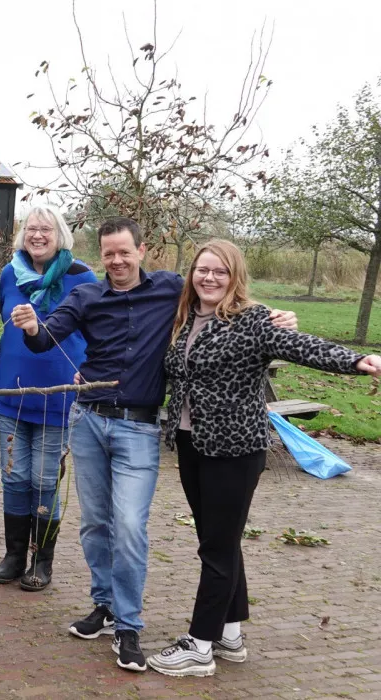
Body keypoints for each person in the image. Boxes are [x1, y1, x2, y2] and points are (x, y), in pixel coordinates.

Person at [10, 217, 297, 673]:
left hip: (139, 429)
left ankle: (129, 625)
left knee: (128, 527)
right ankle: (103, 607)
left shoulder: (169, 290)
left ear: (142, 251)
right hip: (88, 422)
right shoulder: (85, 295)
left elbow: (220, 292)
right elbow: (47, 340)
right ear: (100, 254)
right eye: (109, 253)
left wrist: (274, 315)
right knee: (95, 525)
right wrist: (29, 325)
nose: (117, 260)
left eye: (125, 252)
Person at [146, 240, 381, 677]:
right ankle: (230, 634)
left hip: (236, 450)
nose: (209, 278)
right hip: (191, 444)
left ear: (234, 276)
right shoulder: (182, 319)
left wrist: (358, 359)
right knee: (220, 540)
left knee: (216, 547)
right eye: (202, 270)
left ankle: (199, 646)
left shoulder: (254, 321)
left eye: (219, 271)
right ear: (192, 275)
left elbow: (305, 348)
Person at [0, 205, 97, 591]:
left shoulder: (81, 277)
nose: (37, 235)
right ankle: (14, 554)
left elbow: (98, 332)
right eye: (31, 228)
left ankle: (42, 560)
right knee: (14, 476)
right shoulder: (9, 274)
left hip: (59, 392)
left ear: (60, 234)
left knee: (43, 478)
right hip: (12, 391)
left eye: (46, 229)